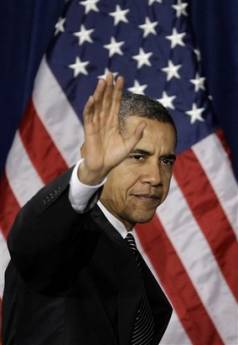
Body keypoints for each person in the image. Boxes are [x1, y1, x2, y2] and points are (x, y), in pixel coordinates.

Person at [2, 73, 177, 345]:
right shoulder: (63, 243)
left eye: (165, 161)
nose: (155, 177)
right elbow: (30, 243)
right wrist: (89, 176)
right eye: (138, 156)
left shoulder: (125, 252)